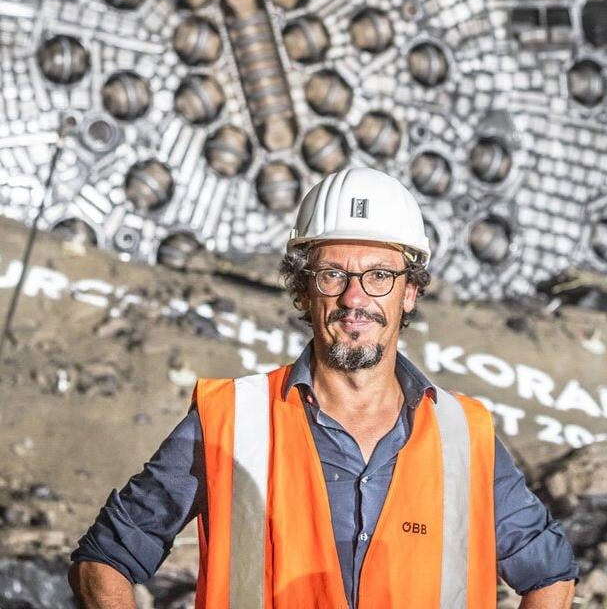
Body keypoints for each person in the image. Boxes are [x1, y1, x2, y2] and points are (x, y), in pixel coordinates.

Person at [69, 167, 578, 607]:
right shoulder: (231, 419)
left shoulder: (464, 436)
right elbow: (103, 562)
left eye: (380, 275)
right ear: (303, 289)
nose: (355, 298)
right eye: (333, 274)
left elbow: (550, 574)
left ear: (410, 293)